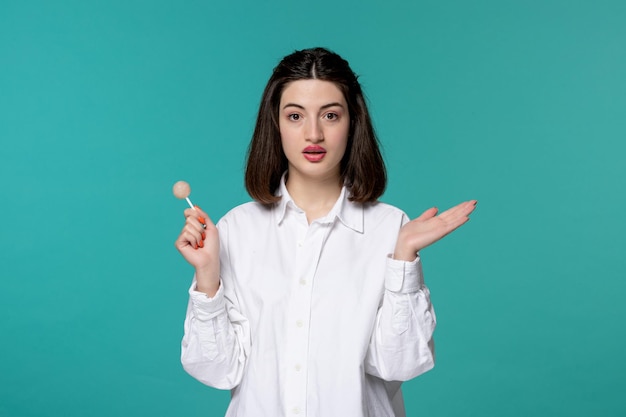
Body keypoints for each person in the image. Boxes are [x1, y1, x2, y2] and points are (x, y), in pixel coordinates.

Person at [175, 47, 477, 417]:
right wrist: (207, 276)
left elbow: (399, 366)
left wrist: (403, 259)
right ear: (275, 123)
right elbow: (218, 370)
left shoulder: (391, 228)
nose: (313, 133)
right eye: (295, 115)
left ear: (353, 123)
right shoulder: (237, 229)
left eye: (330, 115)